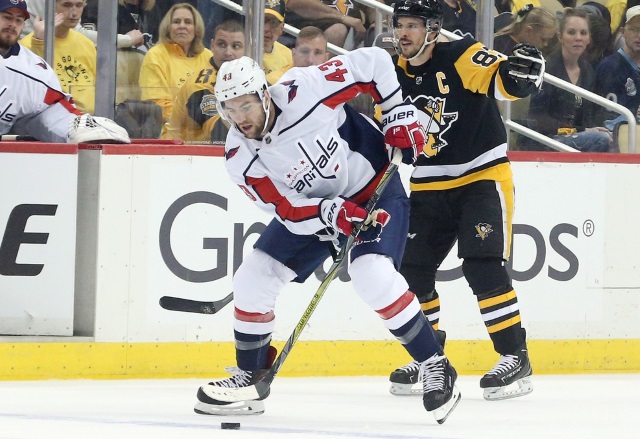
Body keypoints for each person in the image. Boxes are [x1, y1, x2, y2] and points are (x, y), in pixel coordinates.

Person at [193, 50, 461, 423]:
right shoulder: (239, 157)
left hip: (373, 191)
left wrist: (397, 112)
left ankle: (435, 363)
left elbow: (375, 62)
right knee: (253, 276)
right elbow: (287, 210)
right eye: (230, 110)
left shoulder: (305, 88)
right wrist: (331, 213)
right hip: (318, 213)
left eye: (246, 106)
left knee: (372, 275)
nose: (240, 119)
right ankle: (251, 376)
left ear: (264, 95)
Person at [388, 0, 544, 401]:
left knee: (482, 266)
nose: (403, 33)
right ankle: (430, 357)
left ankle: (515, 355)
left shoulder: (460, 54)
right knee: (412, 272)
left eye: (412, 25)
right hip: (428, 183)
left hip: (481, 177)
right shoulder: (390, 75)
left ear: (433, 29)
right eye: (399, 24)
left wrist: (517, 74)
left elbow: (503, 80)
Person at [0, 0, 129, 144]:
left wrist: (80, 128)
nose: (13, 24)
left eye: (19, 20)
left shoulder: (34, 70)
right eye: (7, 17)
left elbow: (50, 113)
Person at [526, 7, 613, 152]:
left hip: (577, 138)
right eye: (571, 32)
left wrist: (594, 128)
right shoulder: (546, 69)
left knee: (611, 136)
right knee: (600, 139)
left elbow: (589, 115)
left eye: (583, 33)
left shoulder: (588, 71)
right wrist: (582, 130)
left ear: (589, 38)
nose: (578, 38)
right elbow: (538, 120)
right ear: (560, 37)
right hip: (546, 141)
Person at [164, 19, 245, 143]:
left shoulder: (247, 77)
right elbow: (220, 132)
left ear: (247, 50)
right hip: (180, 154)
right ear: (212, 46)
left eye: (236, 46)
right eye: (221, 44)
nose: (228, 52)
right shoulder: (200, 85)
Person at [138, 2, 213, 124]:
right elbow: (157, 105)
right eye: (176, 22)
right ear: (168, 27)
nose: (182, 26)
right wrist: (192, 122)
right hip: (170, 132)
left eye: (188, 22)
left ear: (196, 28)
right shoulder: (156, 55)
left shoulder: (208, 56)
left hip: (206, 130)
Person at [19, 0, 97, 114]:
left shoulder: (87, 44)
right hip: (53, 119)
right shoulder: (27, 45)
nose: (74, 12)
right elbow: (34, 90)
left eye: (79, 5)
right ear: (51, 7)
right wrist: (39, 42)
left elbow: (98, 88)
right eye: (67, 5)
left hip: (92, 119)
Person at [594, 5, 640, 125]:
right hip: (622, 136)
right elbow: (609, 122)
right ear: (623, 32)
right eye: (634, 29)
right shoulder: (610, 67)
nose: (639, 36)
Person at [262, 3, 293, 85]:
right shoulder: (240, 51)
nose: (266, 29)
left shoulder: (288, 56)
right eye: (261, 20)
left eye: (273, 23)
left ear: (281, 28)